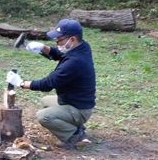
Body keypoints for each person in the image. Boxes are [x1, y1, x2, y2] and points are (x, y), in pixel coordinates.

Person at [7, 19, 96, 149]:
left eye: (59, 39)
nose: (56, 42)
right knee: (46, 101)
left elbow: (47, 84)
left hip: (79, 109)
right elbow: (60, 53)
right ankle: (72, 124)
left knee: (44, 116)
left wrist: (21, 83)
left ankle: (76, 135)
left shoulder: (75, 62)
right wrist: (43, 48)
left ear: (72, 39)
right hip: (73, 101)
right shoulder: (81, 47)